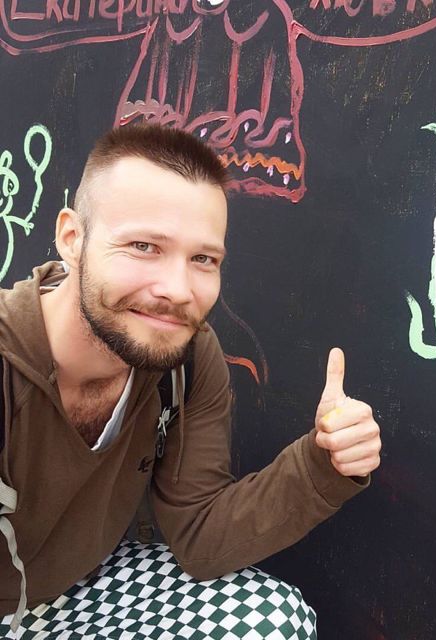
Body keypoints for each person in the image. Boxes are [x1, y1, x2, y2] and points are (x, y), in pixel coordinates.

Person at [0, 124, 382, 638]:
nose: (178, 290)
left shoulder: (187, 359)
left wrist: (322, 464)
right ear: (72, 239)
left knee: (271, 618)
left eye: (203, 259)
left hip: (84, 586)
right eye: (144, 246)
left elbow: (200, 533)